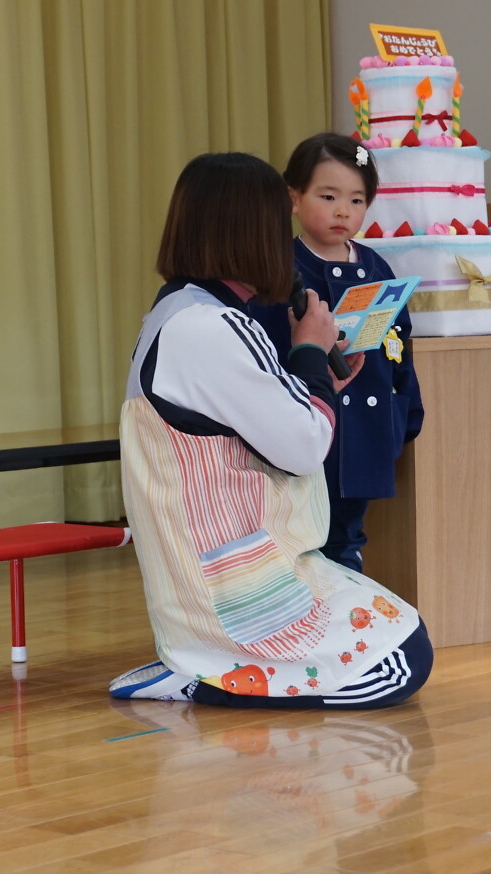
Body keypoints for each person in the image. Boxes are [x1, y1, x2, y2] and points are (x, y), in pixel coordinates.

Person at [109, 153, 431, 708]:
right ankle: (207, 674)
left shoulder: (181, 310)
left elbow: (273, 414)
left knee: (399, 631)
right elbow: (304, 447)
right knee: (401, 661)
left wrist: (320, 375)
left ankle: (200, 662)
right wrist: (310, 351)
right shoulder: (210, 326)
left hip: (223, 561)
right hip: (234, 578)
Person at [251, 132, 425, 572]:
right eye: (328, 197)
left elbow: (398, 346)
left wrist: (405, 411)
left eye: (357, 200)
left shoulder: (376, 266)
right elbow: (262, 352)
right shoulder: (279, 267)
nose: (343, 211)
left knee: (348, 536)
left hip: (365, 430)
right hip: (307, 432)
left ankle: (348, 608)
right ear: (294, 198)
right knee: (301, 538)